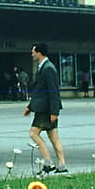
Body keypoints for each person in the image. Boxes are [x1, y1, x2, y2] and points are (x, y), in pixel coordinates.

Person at [24, 43, 67, 174]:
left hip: (46, 110)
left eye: (33, 52)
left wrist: (54, 112)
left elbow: (53, 91)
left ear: (39, 53)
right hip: (45, 109)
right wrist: (29, 107)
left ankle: (48, 163)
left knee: (33, 133)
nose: (32, 55)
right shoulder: (44, 67)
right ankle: (62, 165)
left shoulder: (48, 68)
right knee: (53, 136)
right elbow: (39, 91)